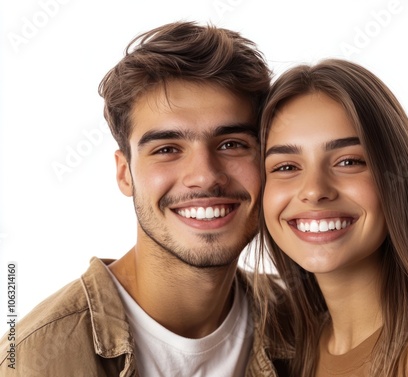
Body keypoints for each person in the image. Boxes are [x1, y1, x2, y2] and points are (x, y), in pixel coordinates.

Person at [0, 21, 287, 377]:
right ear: (125, 173)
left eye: (231, 144)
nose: (205, 176)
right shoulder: (31, 361)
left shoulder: (306, 324)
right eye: (167, 149)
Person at [254, 59, 408, 376]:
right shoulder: (280, 357)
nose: (314, 190)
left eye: (348, 162)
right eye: (286, 167)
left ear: (397, 178)